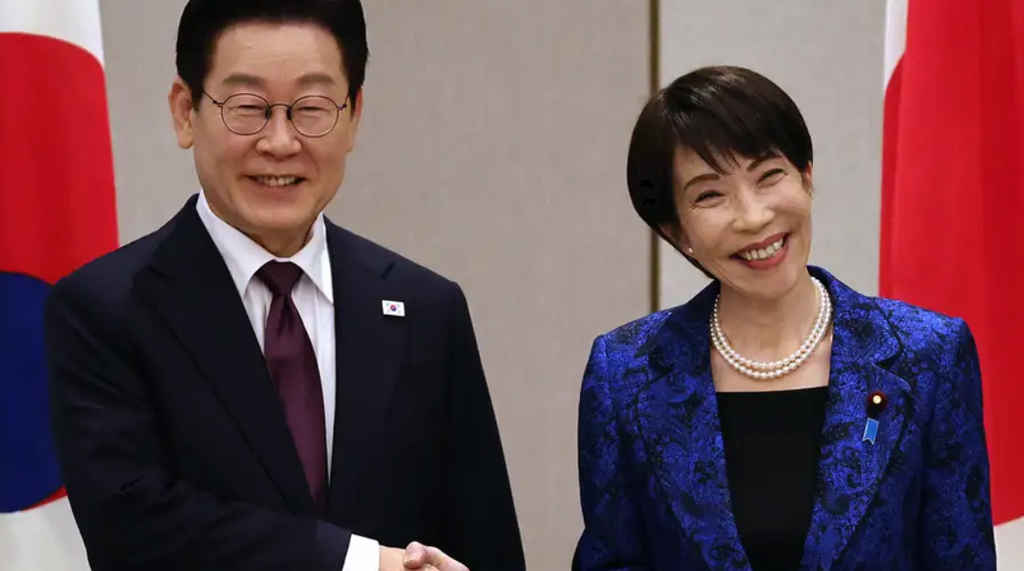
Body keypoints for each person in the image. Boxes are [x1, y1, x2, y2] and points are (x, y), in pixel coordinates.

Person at [44, 2, 525, 570]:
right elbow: (133, 532)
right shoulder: (105, 310)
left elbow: (485, 546)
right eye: (247, 107)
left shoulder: (426, 311)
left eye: (311, 108)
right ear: (185, 112)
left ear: (354, 115)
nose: (279, 141)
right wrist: (359, 563)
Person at [573, 66, 996, 570]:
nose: (753, 217)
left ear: (806, 176)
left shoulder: (928, 355)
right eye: (710, 195)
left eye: (768, 175)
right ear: (677, 231)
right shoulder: (626, 374)